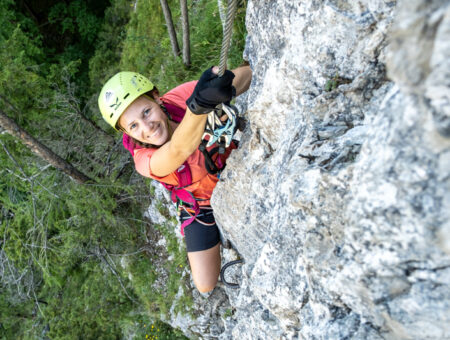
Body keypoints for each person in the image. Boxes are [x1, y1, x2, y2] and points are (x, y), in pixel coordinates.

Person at [98, 65, 252, 293]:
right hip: (200, 204)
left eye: (146, 112)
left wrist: (224, 87)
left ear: (157, 98)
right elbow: (177, 151)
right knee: (205, 284)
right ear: (126, 133)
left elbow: (247, 74)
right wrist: (200, 106)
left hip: (230, 160)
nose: (146, 127)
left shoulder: (179, 99)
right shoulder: (143, 161)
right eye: (133, 126)